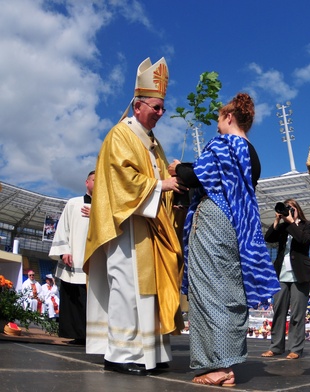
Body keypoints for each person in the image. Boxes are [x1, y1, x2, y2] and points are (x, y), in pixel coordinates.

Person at [84, 57, 185, 376]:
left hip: (151, 227)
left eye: (162, 109)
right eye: (156, 107)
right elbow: (119, 179)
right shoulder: (121, 135)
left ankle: (150, 354)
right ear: (138, 105)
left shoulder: (155, 145)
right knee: (128, 289)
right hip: (126, 228)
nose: (160, 113)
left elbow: (163, 185)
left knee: (150, 293)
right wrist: (160, 184)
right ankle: (121, 354)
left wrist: (174, 188)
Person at [171, 92, 280, 387]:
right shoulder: (252, 153)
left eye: (219, 119)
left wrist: (177, 169)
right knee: (228, 291)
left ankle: (216, 366)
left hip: (214, 219)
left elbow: (196, 176)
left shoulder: (223, 144)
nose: (217, 125)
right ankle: (227, 366)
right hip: (237, 226)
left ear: (229, 117)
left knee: (208, 291)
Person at [262, 199, 310, 359]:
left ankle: (295, 349)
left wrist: (292, 221)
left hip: (300, 275)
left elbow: (303, 240)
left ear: (297, 209)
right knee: (278, 311)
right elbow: (269, 238)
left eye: (292, 208)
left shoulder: (307, 225)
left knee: (297, 314)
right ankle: (276, 347)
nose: (289, 211)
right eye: (287, 209)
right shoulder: (284, 227)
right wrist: (278, 220)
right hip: (281, 274)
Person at [48, 170, 94, 345]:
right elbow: (63, 228)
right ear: (86, 182)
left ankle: (95, 336)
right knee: (75, 299)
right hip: (75, 259)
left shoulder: (106, 205)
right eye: (94, 180)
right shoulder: (73, 203)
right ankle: (78, 335)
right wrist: (64, 250)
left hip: (96, 262)